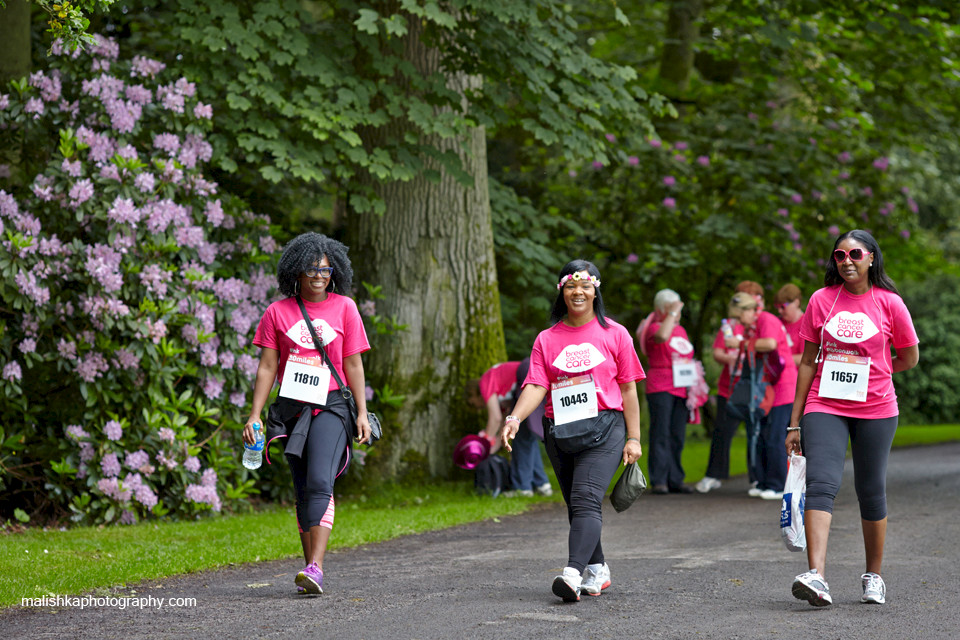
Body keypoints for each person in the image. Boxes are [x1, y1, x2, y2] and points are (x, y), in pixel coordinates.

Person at [787, 230, 919, 607]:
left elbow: (909, 358)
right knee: (821, 483)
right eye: (840, 254)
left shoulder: (889, 303)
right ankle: (816, 576)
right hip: (824, 403)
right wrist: (794, 422)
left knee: (871, 490)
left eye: (855, 254)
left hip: (876, 407)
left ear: (871, 258)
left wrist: (878, 369)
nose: (846, 260)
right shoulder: (821, 300)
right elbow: (808, 362)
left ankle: (873, 576)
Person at [501, 259, 644, 602]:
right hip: (560, 432)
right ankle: (598, 568)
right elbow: (536, 384)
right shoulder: (547, 338)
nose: (578, 292)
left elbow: (628, 389)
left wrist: (634, 437)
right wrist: (515, 419)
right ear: (561, 292)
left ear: (595, 290)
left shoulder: (616, 333)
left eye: (585, 286)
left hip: (605, 430)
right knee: (577, 504)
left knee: (585, 498)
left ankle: (572, 573)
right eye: (570, 286)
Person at [243, 232, 372, 595]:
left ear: (335, 272)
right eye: (311, 270)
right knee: (301, 486)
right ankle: (306, 570)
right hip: (292, 407)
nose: (319, 276)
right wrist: (254, 415)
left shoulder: (345, 307)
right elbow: (268, 367)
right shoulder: (277, 312)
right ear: (295, 272)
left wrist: (361, 413)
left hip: (332, 404)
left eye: (326, 270)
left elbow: (353, 363)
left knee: (319, 479)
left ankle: (316, 567)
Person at [466, 359, 552, 497]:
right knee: (527, 436)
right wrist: (493, 447)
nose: (477, 407)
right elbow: (504, 423)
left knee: (520, 438)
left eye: (472, 403)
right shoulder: (502, 394)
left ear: (473, 393)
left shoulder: (485, 383)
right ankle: (542, 484)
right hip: (533, 376)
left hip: (527, 377)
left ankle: (522, 488)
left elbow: (495, 418)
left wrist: (484, 443)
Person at [638, 289, 695, 494]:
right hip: (660, 386)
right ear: (664, 308)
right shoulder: (653, 327)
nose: (679, 312)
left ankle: (675, 479)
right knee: (660, 433)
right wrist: (670, 314)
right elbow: (662, 336)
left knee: (677, 434)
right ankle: (659, 480)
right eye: (675, 307)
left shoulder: (681, 330)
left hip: (681, 386)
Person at [695, 312, 745, 493]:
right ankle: (714, 475)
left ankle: (760, 480)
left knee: (759, 435)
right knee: (722, 431)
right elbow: (717, 353)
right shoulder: (728, 326)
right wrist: (730, 357)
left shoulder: (760, 326)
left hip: (754, 390)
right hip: (728, 388)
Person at [775, 284, 805, 366]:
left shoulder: (806, 324)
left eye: (783, 306)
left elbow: (805, 358)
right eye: (777, 307)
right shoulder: (777, 322)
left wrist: (780, 360)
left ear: (796, 302)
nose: (779, 311)